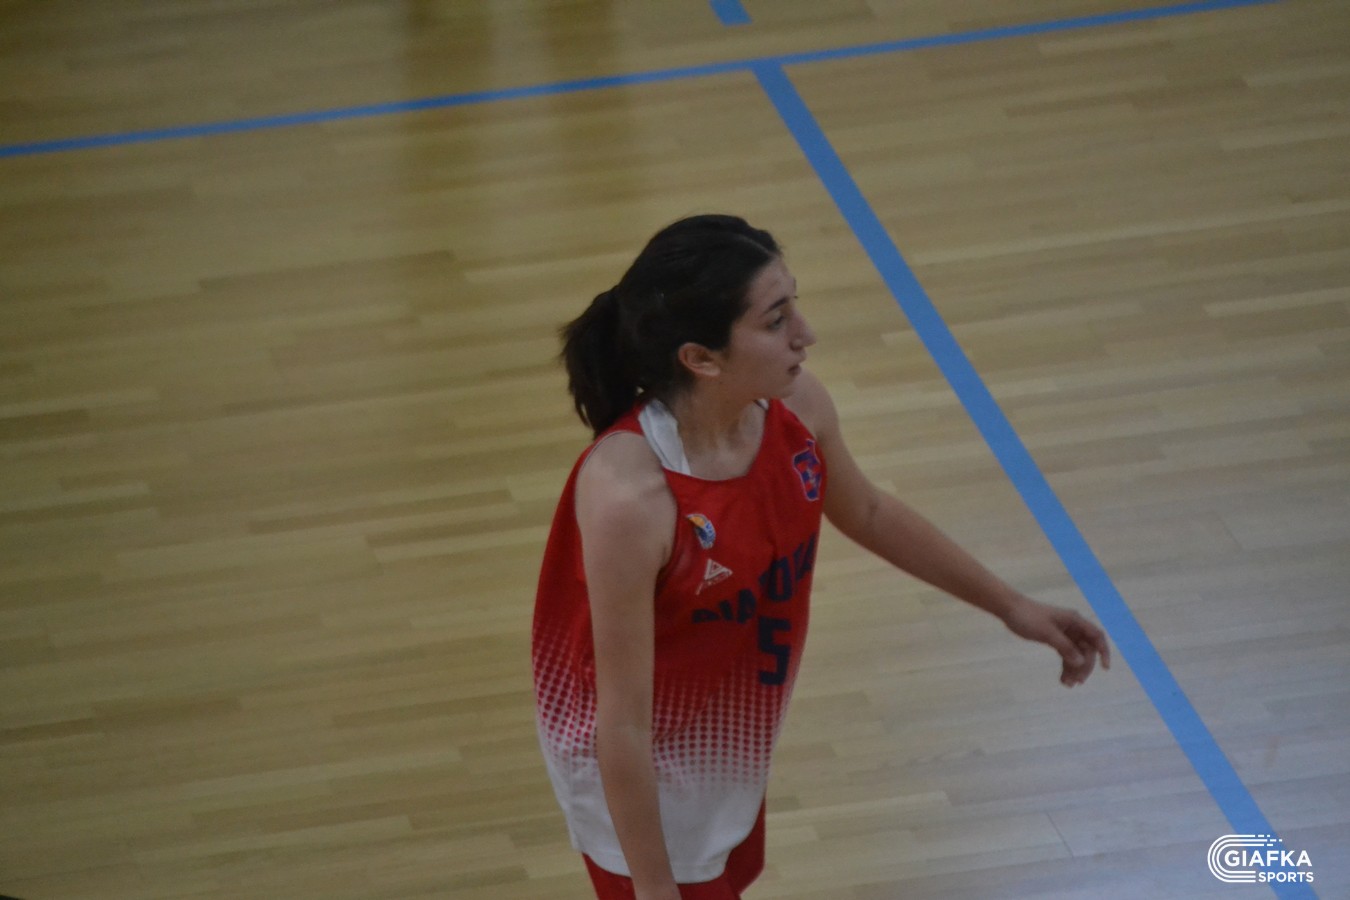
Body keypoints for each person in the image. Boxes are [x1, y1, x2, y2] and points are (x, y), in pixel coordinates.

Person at [532, 214, 1110, 900]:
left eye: (794, 306)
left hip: (728, 744)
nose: (806, 334)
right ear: (701, 358)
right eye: (776, 320)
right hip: (638, 789)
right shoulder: (632, 496)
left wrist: (1012, 607)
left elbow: (867, 511)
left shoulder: (795, 408)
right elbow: (622, 722)